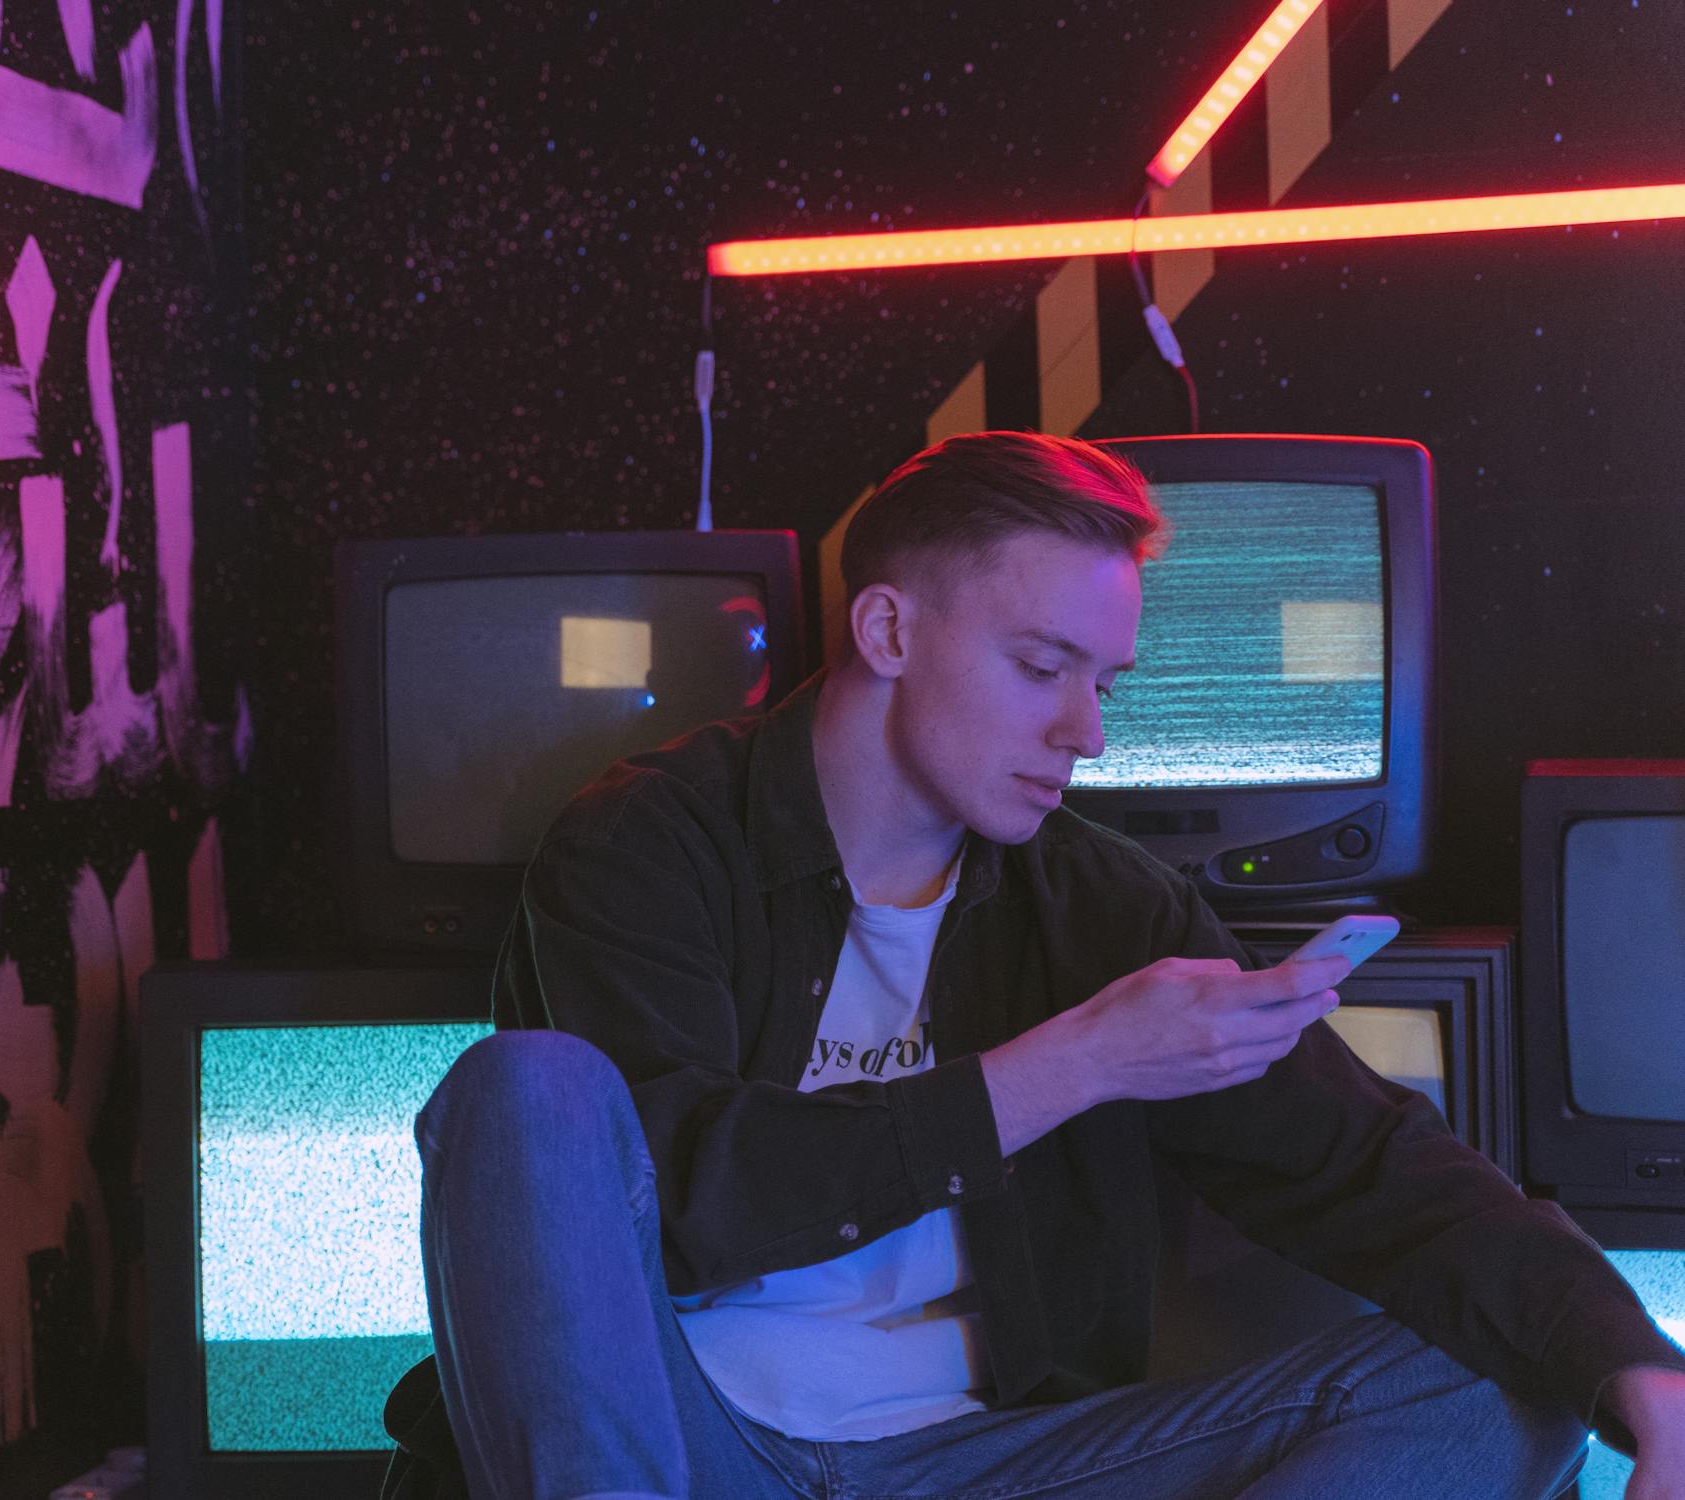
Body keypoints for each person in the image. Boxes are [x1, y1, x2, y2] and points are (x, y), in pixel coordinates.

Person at [380, 431, 1685, 1500]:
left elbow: (1364, 1166)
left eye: (1103, 681)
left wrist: (1639, 1372)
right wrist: (1068, 1065)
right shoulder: (645, 844)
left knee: (1501, 1385)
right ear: (887, 632)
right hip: (681, 1449)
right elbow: (676, 1213)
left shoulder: (1100, 899)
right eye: (1040, 667)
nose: (1088, 731)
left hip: (981, 1464)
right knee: (524, 1091)